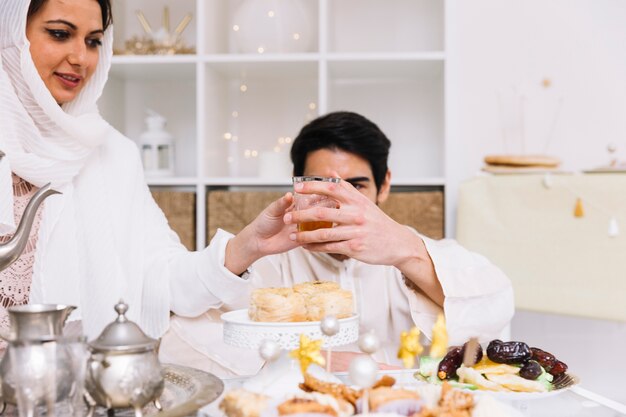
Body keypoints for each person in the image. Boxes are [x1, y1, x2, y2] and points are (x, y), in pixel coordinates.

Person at [0, 0, 299, 341]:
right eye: (59, 34)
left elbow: (161, 278)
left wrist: (245, 248)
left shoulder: (112, 154)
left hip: (70, 382)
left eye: (94, 41)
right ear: (10, 33)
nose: (81, 58)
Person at [160, 111, 515, 376]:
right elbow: (179, 343)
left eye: (356, 187)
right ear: (297, 185)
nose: (339, 205)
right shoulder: (269, 264)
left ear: (385, 184)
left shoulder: (416, 251)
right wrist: (314, 362)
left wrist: (406, 250)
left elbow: (496, 311)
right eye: (321, 186)